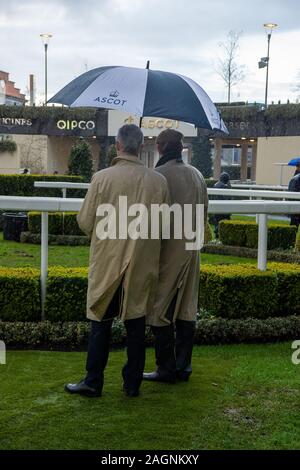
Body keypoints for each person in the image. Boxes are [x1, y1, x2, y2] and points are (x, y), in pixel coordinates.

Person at [65, 124, 169, 398]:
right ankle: (132, 384)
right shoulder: (158, 181)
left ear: (118, 146)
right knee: (136, 324)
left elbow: (85, 221)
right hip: (142, 262)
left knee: (100, 321)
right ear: (142, 146)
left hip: (108, 261)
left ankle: (93, 380)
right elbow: (164, 224)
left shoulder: (102, 178)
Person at [143, 129, 208, 384]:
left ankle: (166, 368)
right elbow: (204, 213)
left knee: (160, 308)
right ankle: (183, 367)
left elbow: (151, 219)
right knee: (187, 308)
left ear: (160, 147)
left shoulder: (159, 175)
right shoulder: (197, 174)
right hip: (193, 249)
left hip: (169, 249)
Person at [212, 172, 231, 238]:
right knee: (226, 220)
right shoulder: (225, 186)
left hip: (216, 206)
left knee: (217, 220)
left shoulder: (215, 184)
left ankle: (216, 232)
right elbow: (227, 198)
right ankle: (217, 230)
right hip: (223, 207)